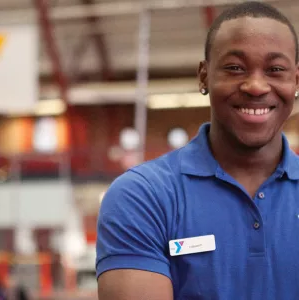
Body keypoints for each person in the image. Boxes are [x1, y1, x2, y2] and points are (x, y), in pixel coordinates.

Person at [96, 1, 299, 299]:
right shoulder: (143, 196)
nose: (256, 85)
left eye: (275, 69)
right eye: (234, 68)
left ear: (295, 80)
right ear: (204, 76)